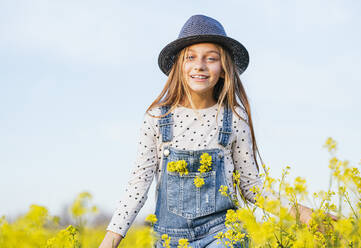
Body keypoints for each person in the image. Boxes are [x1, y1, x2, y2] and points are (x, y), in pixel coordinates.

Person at [99, 14, 331, 248]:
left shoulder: (234, 120)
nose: (200, 65)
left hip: (222, 233)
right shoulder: (157, 119)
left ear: (223, 69)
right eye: (191, 57)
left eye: (211, 58)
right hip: (170, 238)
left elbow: (252, 188)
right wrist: (110, 241)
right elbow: (138, 185)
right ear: (179, 66)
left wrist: (305, 214)